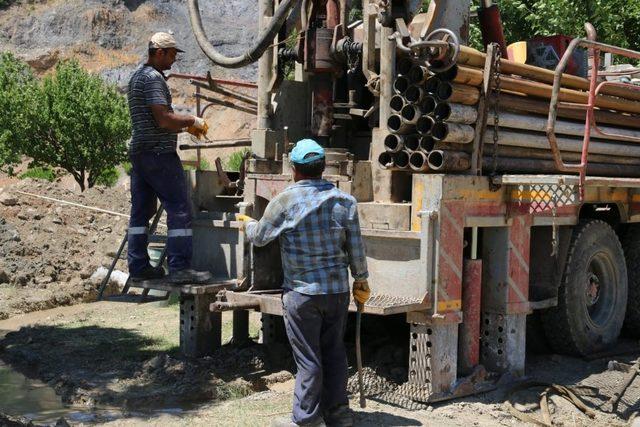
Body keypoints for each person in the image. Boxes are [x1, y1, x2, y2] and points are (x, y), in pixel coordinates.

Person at [239, 139, 371, 427]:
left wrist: (246, 223)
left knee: (309, 359)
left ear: (295, 170)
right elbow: (356, 249)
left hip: (302, 294)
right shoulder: (344, 202)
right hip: (337, 293)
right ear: (323, 169)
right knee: (334, 352)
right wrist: (361, 280)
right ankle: (339, 414)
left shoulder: (285, 201)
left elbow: (260, 237)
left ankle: (307, 419)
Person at [126, 32, 212, 284]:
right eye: (172, 54)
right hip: (159, 154)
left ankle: (139, 266)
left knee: (141, 212)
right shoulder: (153, 79)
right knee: (180, 209)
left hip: (141, 153)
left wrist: (183, 126)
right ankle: (180, 268)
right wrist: (191, 121)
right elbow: (163, 119)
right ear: (159, 52)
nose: (174, 59)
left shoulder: (136, 77)